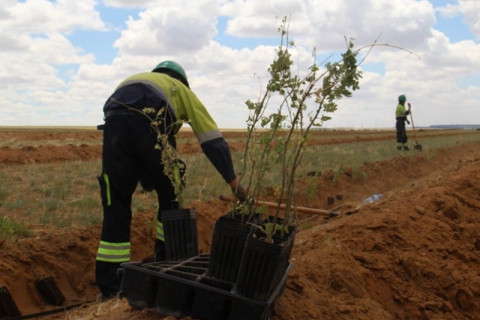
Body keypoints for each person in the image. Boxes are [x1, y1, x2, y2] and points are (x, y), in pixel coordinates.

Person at [95, 60, 247, 299]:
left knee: (116, 203)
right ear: (182, 81)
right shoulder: (181, 90)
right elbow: (211, 139)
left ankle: (112, 287)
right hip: (153, 117)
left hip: (113, 121)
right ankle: (166, 267)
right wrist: (233, 181)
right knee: (171, 195)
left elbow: (129, 129)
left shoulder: (134, 79)